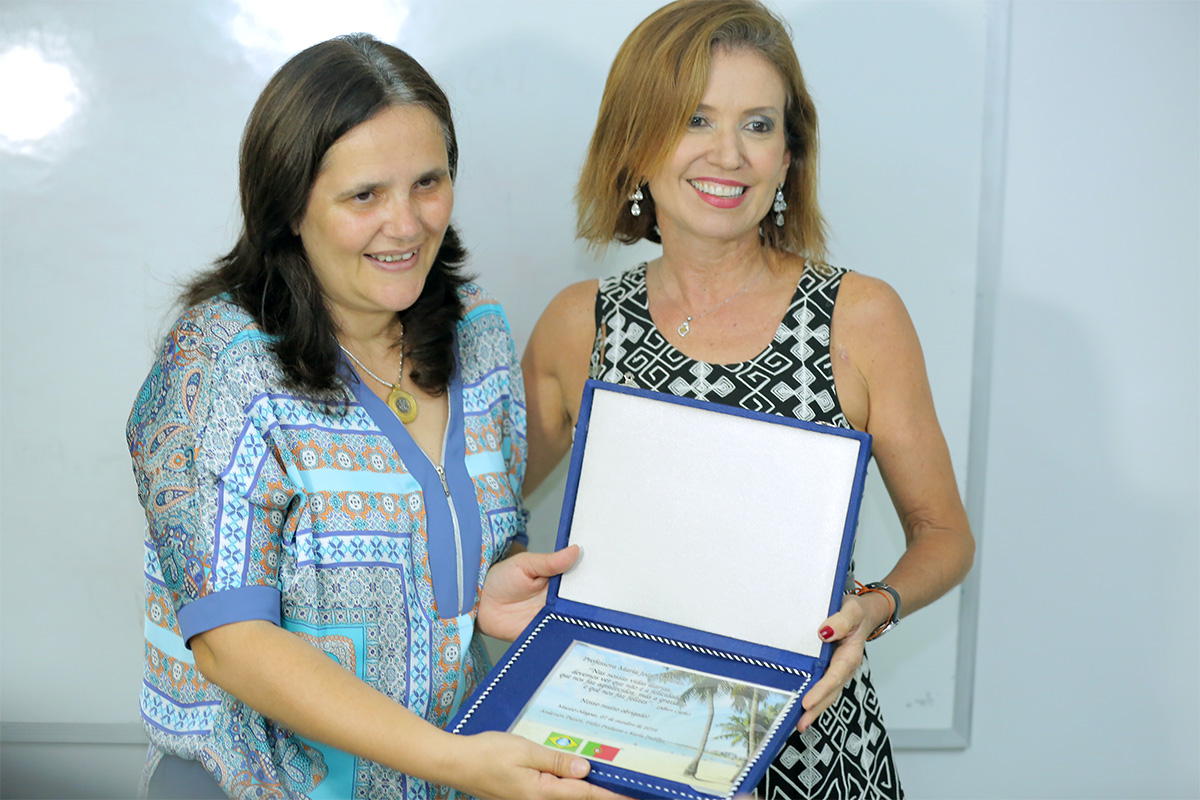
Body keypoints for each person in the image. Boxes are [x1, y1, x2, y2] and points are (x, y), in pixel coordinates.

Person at [127, 34, 626, 800]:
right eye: (365, 196)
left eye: (428, 182)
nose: (406, 224)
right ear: (290, 205)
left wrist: (480, 592)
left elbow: (435, 548)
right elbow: (232, 640)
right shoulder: (219, 363)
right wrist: (454, 760)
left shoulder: (479, 340)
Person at [522, 1, 976, 797]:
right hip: (623, 749)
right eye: (695, 119)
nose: (728, 155)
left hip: (813, 749)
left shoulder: (861, 318)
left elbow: (944, 534)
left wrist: (875, 608)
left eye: (758, 125)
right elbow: (483, 510)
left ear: (790, 155)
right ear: (635, 140)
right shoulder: (577, 325)